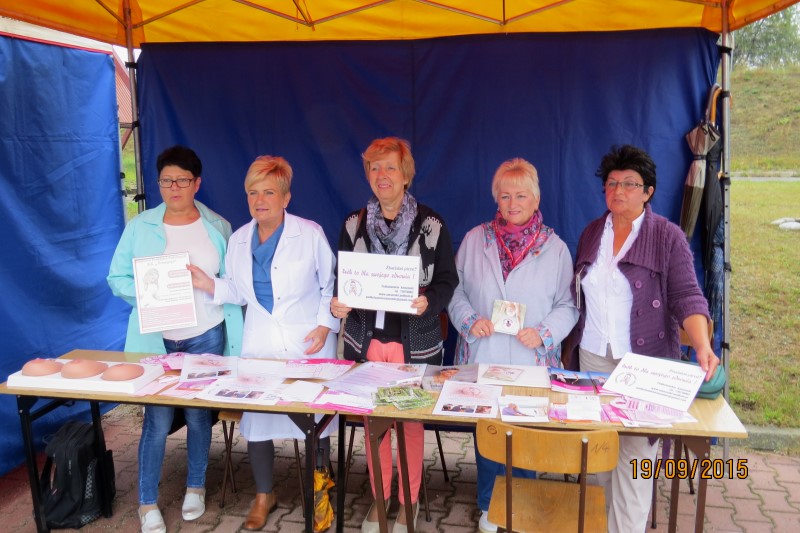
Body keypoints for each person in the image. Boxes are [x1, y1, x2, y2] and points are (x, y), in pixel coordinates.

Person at [568, 145, 719, 533]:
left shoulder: (667, 237)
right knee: (599, 456)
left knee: (635, 462)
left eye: (630, 184)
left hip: (643, 363)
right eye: (611, 183)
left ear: (648, 191)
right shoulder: (592, 233)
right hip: (592, 359)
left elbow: (687, 296)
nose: (618, 191)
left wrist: (703, 345)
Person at [188, 155, 339, 531]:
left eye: (269, 192)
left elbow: (331, 284)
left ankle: (320, 491)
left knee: (315, 421)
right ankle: (263, 494)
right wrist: (208, 284)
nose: (260, 200)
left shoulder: (310, 234)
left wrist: (325, 326)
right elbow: (239, 291)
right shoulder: (239, 239)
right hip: (261, 345)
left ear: (286, 197)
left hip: (307, 342)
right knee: (258, 420)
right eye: (253, 192)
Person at [107, 145, 243, 533]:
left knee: (199, 416)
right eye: (166, 181)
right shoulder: (140, 227)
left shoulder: (218, 227)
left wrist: (208, 283)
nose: (174, 188)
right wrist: (151, 296)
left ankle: (196, 487)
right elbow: (116, 278)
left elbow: (233, 283)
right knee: (157, 419)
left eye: (182, 181)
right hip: (158, 340)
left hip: (206, 335)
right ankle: (147, 502)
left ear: (197, 183)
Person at [329, 137, 458, 533]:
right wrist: (337, 304)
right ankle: (380, 497)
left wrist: (429, 301)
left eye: (389, 167)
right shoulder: (352, 225)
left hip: (414, 345)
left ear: (405, 175)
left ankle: (409, 501)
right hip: (366, 342)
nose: (381, 175)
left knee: (410, 425)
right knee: (375, 425)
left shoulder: (432, 225)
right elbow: (342, 279)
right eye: (374, 167)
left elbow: (448, 280)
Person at [447, 157, 578, 533]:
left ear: (536, 199)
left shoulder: (555, 248)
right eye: (505, 196)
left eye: (521, 195)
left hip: (530, 358)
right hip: (484, 353)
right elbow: (454, 291)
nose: (513, 203)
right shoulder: (475, 240)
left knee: (525, 431)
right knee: (489, 430)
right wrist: (469, 320)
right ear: (496, 200)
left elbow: (569, 305)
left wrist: (544, 332)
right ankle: (490, 504)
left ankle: (522, 502)